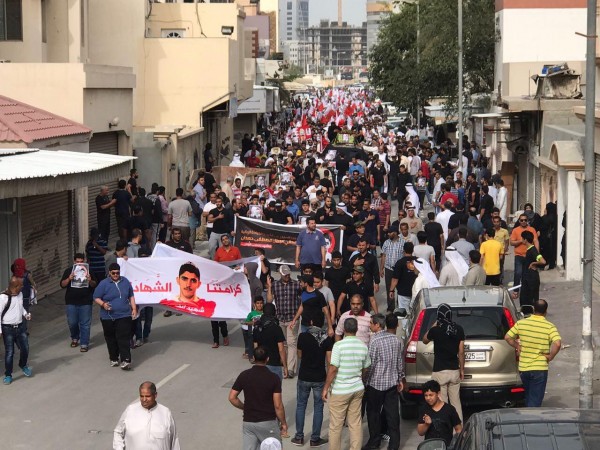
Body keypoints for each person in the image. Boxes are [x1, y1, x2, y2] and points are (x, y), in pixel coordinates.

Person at [322, 317, 371, 450]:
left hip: (340, 391)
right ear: (356, 329)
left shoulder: (338, 346)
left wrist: (326, 388)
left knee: (335, 425)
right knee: (355, 423)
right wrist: (359, 377)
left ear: (344, 329)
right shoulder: (363, 346)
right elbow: (366, 367)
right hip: (357, 388)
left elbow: (333, 368)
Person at [504, 299, 561, 407]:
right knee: (535, 401)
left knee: (529, 396)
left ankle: (528, 414)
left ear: (533, 309)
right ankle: (532, 416)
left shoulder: (521, 323)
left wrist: (518, 346)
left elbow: (508, 337)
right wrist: (550, 356)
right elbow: (557, 344)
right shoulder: (549, 326)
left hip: (524, 368)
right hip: (540, 368)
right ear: (546, 311)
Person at [229, 346, 287, 450]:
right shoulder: (274, 378)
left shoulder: (244, 375)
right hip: (268, 423)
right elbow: (278, 405)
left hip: (248, 423)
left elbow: (232, 397)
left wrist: (245, 407)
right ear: (267, 359)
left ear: (254, 358)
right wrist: (283, 423)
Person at [291, 313, 333, 448]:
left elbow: (299, 355)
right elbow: (329, 360)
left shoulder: (303, 337)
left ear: (310, 322)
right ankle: (315, 439)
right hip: (319, 377)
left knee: (301, 405)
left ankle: (299, 437)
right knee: (318, 407)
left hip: (304, 376)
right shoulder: (327, 339)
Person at [363, 314, 404, 450]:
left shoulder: (374, 341)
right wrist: (400, 378)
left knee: (373, 413)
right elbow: (399, 361)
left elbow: (371, 364)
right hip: (392, 383)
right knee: (393, 415)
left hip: (376, 384)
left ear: (377, 325)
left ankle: (374, 442)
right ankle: (394, 445)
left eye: (371, 323)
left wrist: (365, 380)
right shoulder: (395, 339)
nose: (369, 325)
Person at [422, 303, 465, 422]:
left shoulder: (435, 330)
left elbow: (424, 340)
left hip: (439, 371)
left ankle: (445, 427)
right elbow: (461, 352)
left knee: (442, 404)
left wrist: (434, 324)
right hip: (454, 371)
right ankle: (459, 428)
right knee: (456, 402)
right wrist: (462, 369)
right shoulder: (459, 329)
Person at [93, 263, 137, 370]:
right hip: (108, 317)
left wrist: (134, 308)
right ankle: (114, 358)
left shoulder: (125, 281)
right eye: (113, 273)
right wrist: (103, 304)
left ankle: (126, 360)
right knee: (111, 338)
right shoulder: (104, 284)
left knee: (123, 337)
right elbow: (96, 297)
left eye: (117, 273)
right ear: (109, 273)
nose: (116, 275)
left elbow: (131, 295)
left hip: (124, 315)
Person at [113, 381, 180, 450]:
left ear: (155, 395)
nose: (144, 399)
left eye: (148, 396)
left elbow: (174, 440)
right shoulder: (130, 410)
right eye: (142, 396)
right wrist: (119, 448)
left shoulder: (165, 413)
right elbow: (118, 432)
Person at [266, 265, 301, 378]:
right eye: (285, 274)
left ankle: (290, 369)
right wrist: (270, 287)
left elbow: (302, 300)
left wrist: (297, 316)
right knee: (283, 343)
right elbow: (269, 300)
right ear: (280, 273)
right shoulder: (275, 285)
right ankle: (284, 364)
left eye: (288, 274)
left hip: (292, 319)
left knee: (291, 343)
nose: (287, 276)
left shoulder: (296, 284)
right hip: (280, 319)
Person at [59, 253, 97, 352]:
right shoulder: (69, 271)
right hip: (71, 301)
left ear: (84, 261)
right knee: (72, 322)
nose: (79, 264)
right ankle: (75, 337)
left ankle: (84, 344)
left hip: (86, 301)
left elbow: (94, 284)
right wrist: (69, 278)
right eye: (77, 262)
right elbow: (62, 284)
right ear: (74, 262)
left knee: (85, 324)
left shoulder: (89, 270)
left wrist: (90, 280)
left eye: (81, 261)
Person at [0, 277, 32, 385]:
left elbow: (20, 307)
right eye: (21, 285)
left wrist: (25, 314)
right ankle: (8, 375)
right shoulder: (3, 297)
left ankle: (23, 365)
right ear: (16, 286)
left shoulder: (20, 294)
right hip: (7, 329)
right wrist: (0, 331)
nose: (22, 287)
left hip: (20, 327)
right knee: (10, 353)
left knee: (25, 348)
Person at [417, 380, 462, 446]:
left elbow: (458, 429)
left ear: (438, 394)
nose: (428, 398)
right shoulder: (424, 409)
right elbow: (420, 432)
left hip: (446, 446)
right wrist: (426, 424)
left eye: (431, 395)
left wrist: (457, 445)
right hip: (430, 446)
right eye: (426, 395)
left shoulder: (449, 409)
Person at [253, 303, 288, 380]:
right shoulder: (276, 328)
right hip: (274, 364)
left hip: (260, 364)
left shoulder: (257, 327)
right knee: (275, 387)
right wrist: (285, 366)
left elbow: (255, 346)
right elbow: (281, 349)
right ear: (274, 312)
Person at [510, 213, 539, 291]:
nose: (523, 222)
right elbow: (511, 242)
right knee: (518, 273)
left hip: (529, 256)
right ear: (519, 221)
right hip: (519, 255)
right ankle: (516, 290)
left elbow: (536, 241)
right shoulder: (515, 230)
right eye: (521, 220)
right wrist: (520, 241)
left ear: (527, 221)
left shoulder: (532, 229)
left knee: (528, 274)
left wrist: (537, 253)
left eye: (525, 220)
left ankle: (527, 289)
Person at [519, 230, 547, 309]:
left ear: (525, 240)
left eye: (522, 238)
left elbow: (543, 261)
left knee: (531, 298)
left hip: (531, 278)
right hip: (527, 278)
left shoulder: (533, 250)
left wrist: (533, 263)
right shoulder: (529, 250)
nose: (521, 240)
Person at [242, 296, 264, 361]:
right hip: (254, 333)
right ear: (254, 304)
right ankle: (253, 357)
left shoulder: (265, 312)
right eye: (258, 303)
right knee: (254, 345)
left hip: (263, 332)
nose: (259, 305)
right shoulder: (251, 314)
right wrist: (253, 322)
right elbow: (246, 322)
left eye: (261, 303)